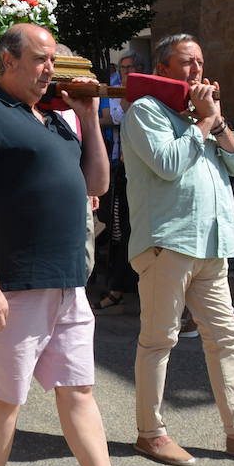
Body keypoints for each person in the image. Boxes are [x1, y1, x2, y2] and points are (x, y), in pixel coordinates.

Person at [0, 24, 176, 466]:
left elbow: (97, 183)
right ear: (8, 60)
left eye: (53, 60)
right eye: (41, 59)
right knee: (8, 396)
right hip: (12, 282)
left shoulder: (52, 120)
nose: (51, 68)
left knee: (79, 389)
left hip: (66, 280)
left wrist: (90, 120)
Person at [122, 33, 234, 466]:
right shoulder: (146, 111)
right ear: (162, 69)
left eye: (199, 61)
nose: (196, 70)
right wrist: (203, 122)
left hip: (212, 245)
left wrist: (216, 123)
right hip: (168, 244)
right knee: (160, 338)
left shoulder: (203, 116)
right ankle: (151, 432)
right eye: (185, 62)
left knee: (225, 338)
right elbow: (167, 164)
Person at [94, 52, 143, 312]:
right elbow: (106, 116)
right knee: (116, 229)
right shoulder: (115, 89)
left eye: (130, 67)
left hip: (138, 171)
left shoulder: (146, 91)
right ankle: (116, 287)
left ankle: (123, 287)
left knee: (130, 230)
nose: (125, 72)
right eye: (122, 68)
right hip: (118, 167)